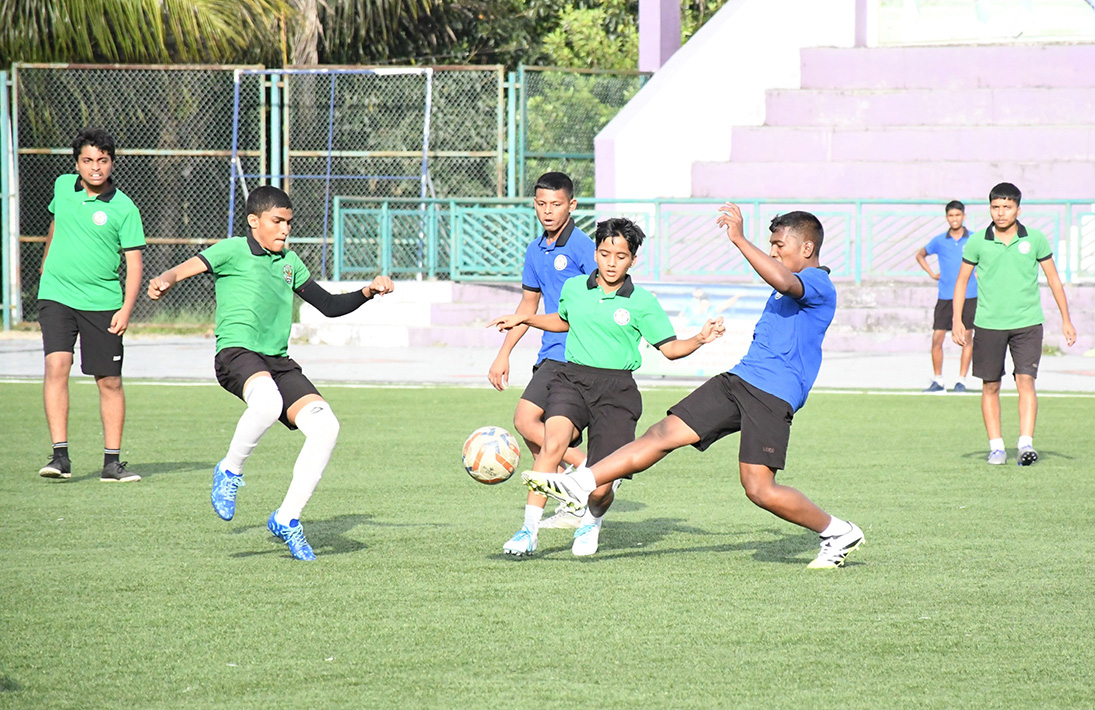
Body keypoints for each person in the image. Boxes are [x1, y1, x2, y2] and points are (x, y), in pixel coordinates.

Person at [524, 204, 866, 569]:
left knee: (759, 489)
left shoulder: (818, 283)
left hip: (772, 395)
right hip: (740, 379)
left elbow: (783, 282)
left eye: (779, 245)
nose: (773, 252)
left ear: (807, 248)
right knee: (663, 432)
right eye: (771, 245)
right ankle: (584, 482)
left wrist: (738, 239)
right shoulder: (790, 283)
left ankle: (838, 531)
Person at [147, 186, 394, 561]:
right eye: (277, 221)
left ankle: (287, 518)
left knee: (326, 427)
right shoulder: (232, 250)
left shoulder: (290, 263)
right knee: (266, 403)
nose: (284, 229)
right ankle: (229, 471)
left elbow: (328, 305)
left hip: (277, 362)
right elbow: (185, 268)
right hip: (237, 353)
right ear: (254, 221)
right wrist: (165, 279)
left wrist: (367, 291)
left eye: (288, 223)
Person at [490, 217, 725, 557]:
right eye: (604, 254)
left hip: (617, 392)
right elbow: (563, 321)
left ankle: (591, 521)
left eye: (620, 256)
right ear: (596, 253)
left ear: (632, 260)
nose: (611, 263)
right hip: (571, 379)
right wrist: (525, 317)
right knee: (552, 442)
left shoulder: (642, 301)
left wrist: (700, 338)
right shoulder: (575, 288)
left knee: (600, 488)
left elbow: (670, 349)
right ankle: (528, 530)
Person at [488, 172, 596, 543]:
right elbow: (527, 306)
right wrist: (503, 353)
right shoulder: (535, 250)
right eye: (541, 204)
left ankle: (588, 471)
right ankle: (574, 495)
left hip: (577, 355)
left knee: (529, 422)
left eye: (556, 204)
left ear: (572, 205)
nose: (548, 211)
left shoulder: (582, 247)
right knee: (534, 432)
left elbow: (603, 294)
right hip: (550, 351)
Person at [37, 127, 145, 483]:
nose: (95, 167)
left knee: (108, 381)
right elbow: (56, 225)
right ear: (77, 163)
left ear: (111, 163)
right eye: (87, 160)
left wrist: (126, 309)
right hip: (56, 294)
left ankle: (112, 464)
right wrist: (46, 263)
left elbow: (134, 264)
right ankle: (60, 457)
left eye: (102, 160)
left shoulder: (124, 207)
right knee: (57, 364)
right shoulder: (62, 187)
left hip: (102, 303)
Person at [952, 182, 1077, 466]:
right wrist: (957, 320)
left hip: (1027, 324)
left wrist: (1066, 319)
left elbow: (1054, 280)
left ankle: (1025, 445)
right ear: (990, 208)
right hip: (988, 324)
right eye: (995, 207)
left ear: (1018, 209)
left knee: (1026, 380)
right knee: (990, 385)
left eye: (1007, 207)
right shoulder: (978, 241)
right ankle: (996, 447)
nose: (1000, 212)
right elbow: (961, 281)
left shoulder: (1035, 239)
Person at [915, 200, 976, 393]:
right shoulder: (939, 241)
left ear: (964, 216)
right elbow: (920, 255)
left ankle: (961, 381)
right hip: (946, 296)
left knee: (967, 338)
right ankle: (938, 380)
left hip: (970, 295)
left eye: (958, 215)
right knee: (937, 338)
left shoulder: (974, 239)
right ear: (946, 217)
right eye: (951, 215)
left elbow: (989, 258)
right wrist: (932, 274)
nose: (954, 219)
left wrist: (981, 274)